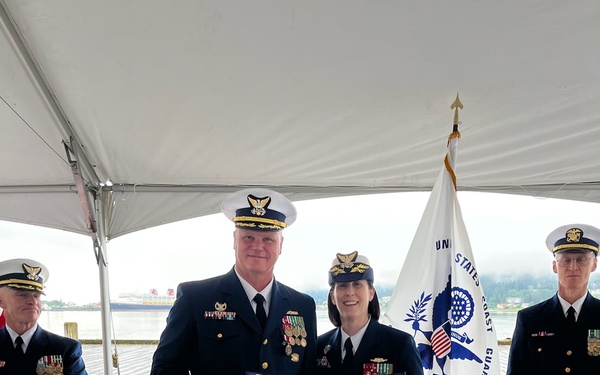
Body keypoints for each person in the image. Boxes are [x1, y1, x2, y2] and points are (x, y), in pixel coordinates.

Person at [150, 188, 317, 375]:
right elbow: (165, 368)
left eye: (268, 239)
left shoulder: (303, 306)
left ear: (281, 246)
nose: (258, 246)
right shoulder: (195, 299)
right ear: (234, 240)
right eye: (248, 237)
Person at [507, 224, 600, 374]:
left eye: (581, 259)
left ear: (594, 264)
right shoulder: (530, 319)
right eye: (566, 260)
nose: (573, 267)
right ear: (555, 266)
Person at [316, 251, 424, 375]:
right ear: (332, 297)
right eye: (342, 286)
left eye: (357, 284)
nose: (350, 292)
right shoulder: (319, 348)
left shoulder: (400, 345)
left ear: (371, 293)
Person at [0, 258, 87, 374]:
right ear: (1, 301)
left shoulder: (65, 348)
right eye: (22, 295)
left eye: (36, 295)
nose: (33, 301)